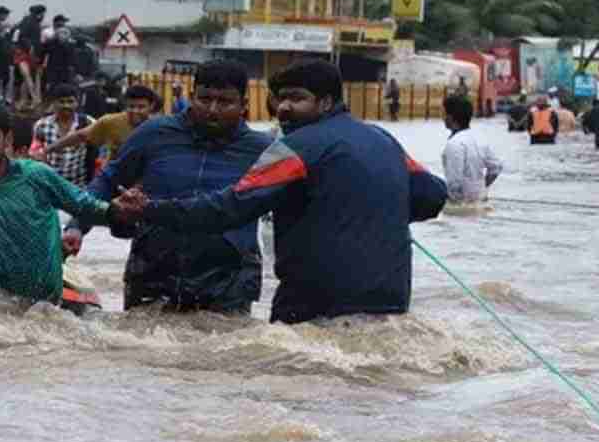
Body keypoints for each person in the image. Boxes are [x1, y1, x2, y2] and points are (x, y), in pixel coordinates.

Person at [113, 61, 448, 325]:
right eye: (280, 98)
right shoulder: (382, 139)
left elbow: (229, 208)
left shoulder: (294, 147)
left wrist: (149, 209)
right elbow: (432, 195)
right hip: (390, 301)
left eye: (297, 98)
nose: (283, 108)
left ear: (327, 102)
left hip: (313, 304)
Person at [65, 62, 274, 315]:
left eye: (225, 102)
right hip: (155, 268)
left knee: (223, 349)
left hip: (227, 277)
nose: (213, 110)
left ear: (244, 104)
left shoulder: (263, 150)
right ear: (191, 96)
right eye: (204, 99)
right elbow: (108, 180)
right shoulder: (155, 133)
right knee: (141, 347)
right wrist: (76, 226)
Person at [0, 103, 120, 304]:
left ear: (7, 140)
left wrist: (118, 211)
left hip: (45, 307)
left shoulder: (36, 176)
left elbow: (85, 205)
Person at [38, 84, 160, 163]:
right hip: (116, 180)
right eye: (131, 106)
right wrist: (47, 150)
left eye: (141, 107)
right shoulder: (111, 121)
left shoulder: (160, 127)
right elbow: (80, 135)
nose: (135, 111)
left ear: (151, 106)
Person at [442, 94, 503, 204]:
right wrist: (481, 187)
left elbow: (454, 182)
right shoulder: (480, 139)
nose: (443, 118)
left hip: (462, 205)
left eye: (445, 114)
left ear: (450, 118)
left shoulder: (454, 144)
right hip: (481, 199)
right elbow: (496, 168)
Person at [32, 83, 94, 187]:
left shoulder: (88, 123)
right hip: (49, 186)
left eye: (70, 101)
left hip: (79, 187)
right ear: (54, 103)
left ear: (77, 103)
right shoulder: (41, 125)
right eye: (61, 102)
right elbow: (35, 152)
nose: (66, 106)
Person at [13, 5, 47, 104]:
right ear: (39, 13)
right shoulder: (29, 21)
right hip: (24, 53)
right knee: (27, 76)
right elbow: (22, 36)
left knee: (26, 78)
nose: (43, 16)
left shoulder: (32, 22)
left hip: (29, 53)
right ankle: (34, 98)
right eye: (43, 14)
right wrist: (30, 47)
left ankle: (23, 101)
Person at [41, 15, 75, 92]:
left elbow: (70, 51)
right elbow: (43, 49)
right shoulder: (47, 32)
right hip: (51, 64)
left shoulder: (66, 34)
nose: (64, 24)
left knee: (63, 84)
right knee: (51, 84)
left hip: (63, 65)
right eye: (62, 22)